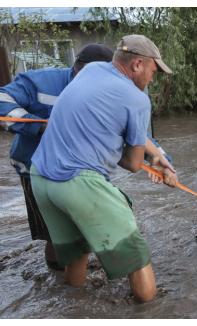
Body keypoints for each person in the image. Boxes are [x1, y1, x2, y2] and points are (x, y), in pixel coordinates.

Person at [30, 34, 176, 303]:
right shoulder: (137, 99)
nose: (153, 79)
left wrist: (157, 156)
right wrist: (141, 159)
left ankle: (76, 309)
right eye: (154, 71)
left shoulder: (92, 70)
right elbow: (132, 164)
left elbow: (104, 121)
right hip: (78, 182)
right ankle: (152, 311)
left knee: (77, 253)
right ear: (137, 65)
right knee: (136, 255)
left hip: (40, 179)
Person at [0, 43, 114, 270]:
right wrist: (40, 127)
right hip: (35, 169)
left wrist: (159, 159)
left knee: (88, 225)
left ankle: (73, 275)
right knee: (53, 232)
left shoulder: (110, 91)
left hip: (83, 170)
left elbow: (133, 134)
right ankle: (58, 278)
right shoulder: (41, 82)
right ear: (78, 69)